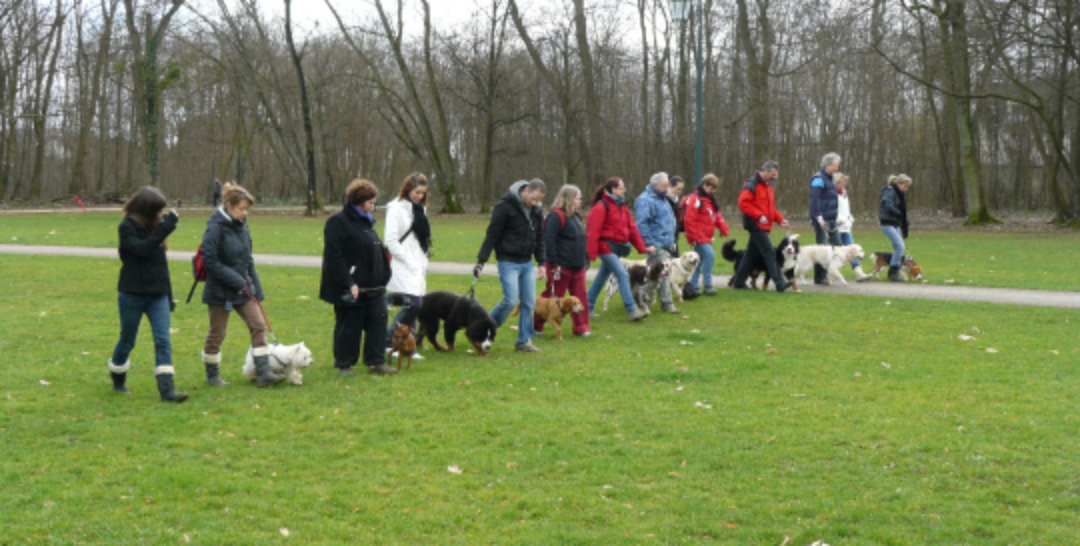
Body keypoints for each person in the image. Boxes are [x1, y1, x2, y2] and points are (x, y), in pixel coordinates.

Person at [199, 183, 283, 387]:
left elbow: (248, 260)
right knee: (217, 333)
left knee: (258, 326)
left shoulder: (243, 227)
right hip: (219, 291)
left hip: (243, 289)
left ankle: (263, 373)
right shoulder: (214, 228)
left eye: (247, 210)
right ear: (228, 205)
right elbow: (210, 261)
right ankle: (212, 376)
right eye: (241, 209)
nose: (245, 214)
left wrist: (256, 286)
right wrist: (236, 279)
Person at [109, 187, 188, 402]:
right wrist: (164, 230)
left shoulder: (156, 228)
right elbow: (141, 251)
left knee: (163, 340)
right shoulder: (127, 228)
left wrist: (169, 296)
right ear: (146, 210)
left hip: (157, 295)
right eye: (157, 211)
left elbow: (161, 267)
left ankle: (167, 389)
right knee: (127, 340)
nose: (160, 215)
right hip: (132, 294)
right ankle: (118, 378)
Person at [320, 179, 396, 375]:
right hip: (352, 287)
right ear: (360, 202)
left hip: (374, 287)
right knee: (349, 326)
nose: (373, 206)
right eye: (370, 202)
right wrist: (348, 282)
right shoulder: (338, 222)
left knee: (378, 323)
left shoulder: (367, 222)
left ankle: (376, 361)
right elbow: (334, 256)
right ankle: (344, 363)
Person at [475, 179, 547, 353]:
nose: (534, 203)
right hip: (508, 261)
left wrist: (542, 263)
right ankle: (483, 330)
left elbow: (539, 238)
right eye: (533, 199)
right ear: (527, 190)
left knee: (529, 302)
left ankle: (524, 340)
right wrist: (481, 261)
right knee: (510, 300)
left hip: (527, 262)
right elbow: (492, 235)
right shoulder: (505, 207)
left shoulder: (536, 211)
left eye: (538, 200)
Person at [585, 177, 651, 321]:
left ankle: (587, 307)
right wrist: (591, 253)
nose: (624, 190)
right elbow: (592, 231)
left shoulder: (623, 207)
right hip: (605, 246)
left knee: (601, 277)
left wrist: (643, 248)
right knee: (622, 274)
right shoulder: (601, 207)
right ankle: (632, 309)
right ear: (613, 189)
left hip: (617, 248)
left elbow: (632, 229)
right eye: (622, 187)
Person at [384, 172, 431, 359]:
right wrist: (408, 261)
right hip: (402, 262)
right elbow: (391, 240)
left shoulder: (421, 209)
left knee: (414, 304)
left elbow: (422, 237)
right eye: (416, 192)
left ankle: (408, 345)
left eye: (423, 193)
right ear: (408, 188)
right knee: (414, 304)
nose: (419, 196)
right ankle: (388, 339)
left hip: (418, 261)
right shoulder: (396, 208)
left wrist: (422, 260)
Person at [535, 184, 591, 337]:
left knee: (580, 297)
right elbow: (549, 240)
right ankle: (536, 325)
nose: (580, 201)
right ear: (570, 199)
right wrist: (553, 264)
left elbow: (581, 239)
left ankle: (582, 328)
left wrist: (585, 258)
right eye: (578, 198)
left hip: (578, 265)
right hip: (561, 266)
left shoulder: (576, 217)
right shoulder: (555, 216)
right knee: (551, 297)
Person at [730, 161, 792, 292]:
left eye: (776, 175)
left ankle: (739, 282)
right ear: (766, 170)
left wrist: (780, 220)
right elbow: (743, 204)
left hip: (763, 225)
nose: (774, 177)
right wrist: (758, 216)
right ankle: (779, 282)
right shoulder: (751, 184)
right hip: (755, 224)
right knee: (769, 252)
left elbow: (771, 209)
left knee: (750, 254)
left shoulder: (768, 187)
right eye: (773, 174)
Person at [635, 172, 680, 314]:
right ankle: (667, 304)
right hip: (655, 244)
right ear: (656, 185)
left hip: (664, 243)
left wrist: (672, 241)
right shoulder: (645, 200)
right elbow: (642, 223)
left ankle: (637, 297)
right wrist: (649, 243)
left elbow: (668, 222)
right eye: (665, 185)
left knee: (653, 276)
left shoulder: (662, 199)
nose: (668, 188)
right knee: (662, 274)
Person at [682, 173, 730, 295]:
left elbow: (716, 216)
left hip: (706, 235)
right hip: (699, 235)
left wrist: (723, 228)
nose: (711, 191)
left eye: (714, 189)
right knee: (709, 255)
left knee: (698, 260)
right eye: (710, 188)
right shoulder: (695, 199)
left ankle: (693, 285)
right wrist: (692, 236)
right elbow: (689, 219)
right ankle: (707, 284)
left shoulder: (710, 200)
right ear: (704, 185)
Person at [809, 152, 842, 285]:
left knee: (837, 245)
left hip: (831, 218)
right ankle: (819, 277)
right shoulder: (818, 179)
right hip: (822, 218)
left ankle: (829, 272)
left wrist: (836, 217)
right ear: (827, 165)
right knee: (823, 248)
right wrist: (818, 216)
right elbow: (815, 198)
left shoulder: (830, 179)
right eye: (834, 165)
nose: (836, 168)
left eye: (837, 165)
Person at [835, 173, 871, 282]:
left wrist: (850, 218)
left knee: (852, 249)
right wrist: (838, 220)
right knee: (835, 251)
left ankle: (858, 273)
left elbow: (846, 209)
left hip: (846, 226)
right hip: (837, 226)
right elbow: (833, 209)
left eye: (845, 181)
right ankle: (831, 273)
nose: (845, 184)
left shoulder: (844, 194)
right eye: (843, 181)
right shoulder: (833, 194)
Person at [878, 174, 912, 282]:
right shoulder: (889, 192)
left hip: (895, 223)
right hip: (887, 223)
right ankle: (893, 271)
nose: (906, 189)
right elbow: (888, 206)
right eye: (905, 186)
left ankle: (894, 270)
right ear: (899, 184)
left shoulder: (899, 194)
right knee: (899, 246)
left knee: (899, 247)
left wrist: (904, 220)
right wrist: (900, 215)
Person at [667, 175, 686, 255]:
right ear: (671, 186)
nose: (680, 192)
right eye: (678, 189)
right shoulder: (665, 200)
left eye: (681, 189)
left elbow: (677, 219)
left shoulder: (676, 200)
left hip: (674, 236)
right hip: (666, 236)